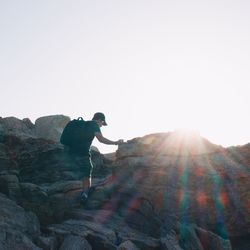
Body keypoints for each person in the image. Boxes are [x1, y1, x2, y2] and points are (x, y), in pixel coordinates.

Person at [68, 112, 123, 203]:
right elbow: (101, 139)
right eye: (102, 123)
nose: (101, 126)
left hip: (71, 151)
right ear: (100, 120)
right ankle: (85, 194)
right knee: (88, 171)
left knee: (80, 171)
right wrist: (115, 142)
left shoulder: (85, 124)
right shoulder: (94, 125)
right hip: (82, 153)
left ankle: (80, 190)